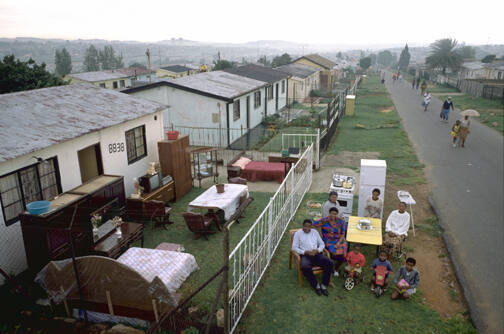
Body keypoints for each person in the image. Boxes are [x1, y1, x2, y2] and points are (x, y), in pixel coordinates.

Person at [292, 219, 334, 296]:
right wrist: (305, 252)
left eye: (309, 227)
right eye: (305, 226)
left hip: (316, 254)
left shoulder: (315, 232)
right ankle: (316, 285)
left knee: (330, 263)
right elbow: (294, 248)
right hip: (305, 255)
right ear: (302, 225)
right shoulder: (298, 234)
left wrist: (317, 250)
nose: (307, 228)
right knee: (304, 266)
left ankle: (324, 285)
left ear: (311, 227)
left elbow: (322, 244)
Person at [313, 207, 347, 277]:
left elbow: (343, 233)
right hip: (328, 240)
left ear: (337, 214)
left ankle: (336, 269)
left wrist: (338, 243)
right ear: (329, 213)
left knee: (343, 255)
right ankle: (331, 265)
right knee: (334, 253)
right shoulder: (324, 220)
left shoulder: (341, 221)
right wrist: (320, 233)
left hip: (339, 240)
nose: (333, 215)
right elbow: (314, 225)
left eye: (335, 214)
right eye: (332, 213)